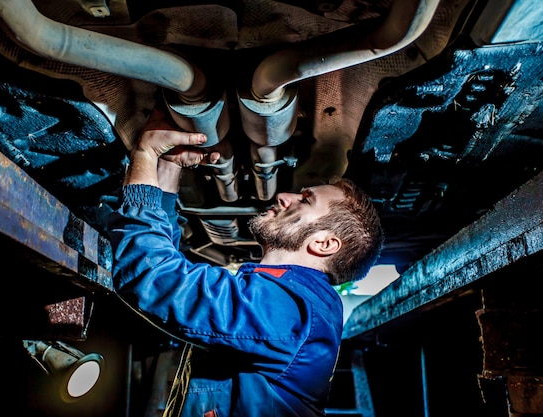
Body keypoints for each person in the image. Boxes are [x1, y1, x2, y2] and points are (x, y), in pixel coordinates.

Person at [107, 110, 384, 417]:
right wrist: (169, 166)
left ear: (323, 244)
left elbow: (152, 275)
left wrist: (145, 153)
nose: (283, 196)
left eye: (305, 200)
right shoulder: (294, 301)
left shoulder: (290, 310)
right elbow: (168, 266)